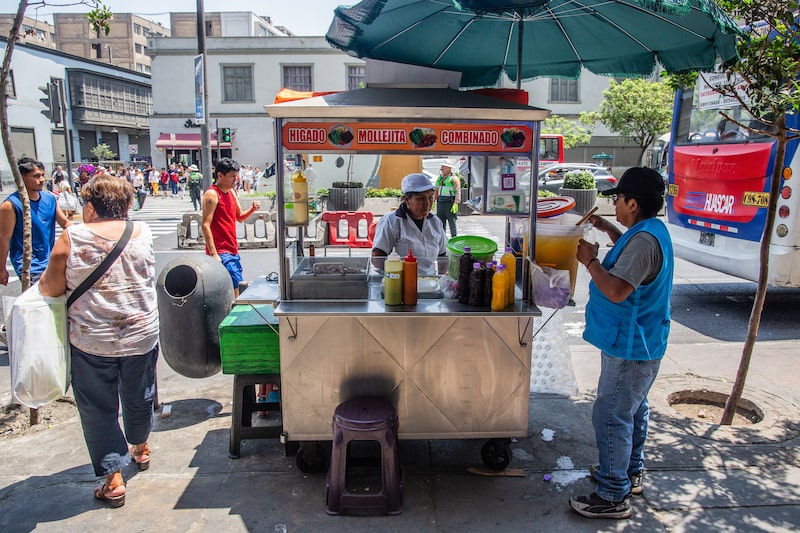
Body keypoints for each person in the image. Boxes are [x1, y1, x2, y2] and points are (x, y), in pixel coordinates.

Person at [38, 174, 159, 509]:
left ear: (89, 207)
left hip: (93, 341)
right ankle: (141, 447)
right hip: (141, 334)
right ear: (128, 205)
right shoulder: (142, 231)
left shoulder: (72, 236)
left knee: (99, 409)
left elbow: (49, 288)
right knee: (140, 394)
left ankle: (113, 479)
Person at [569, 167, 674, 520]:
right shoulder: (648, 231)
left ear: (632, 202)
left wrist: (590, 261)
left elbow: (616, 290)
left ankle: (613, 494)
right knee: (633, 409)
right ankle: (628, 472)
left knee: (611, 414)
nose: (614, 204)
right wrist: (609, 229)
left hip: (630, 344)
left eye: (617, 199)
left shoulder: (644, 242)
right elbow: (632, 256)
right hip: (639, 340)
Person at [0, 157, 71, 285]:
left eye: (42, 175)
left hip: (52, 262)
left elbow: (66, 224)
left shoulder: (50, 199)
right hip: (29, 266)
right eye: (36, 176)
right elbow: (4, 238)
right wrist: (1, 269)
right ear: (22, 177)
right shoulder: (10, 205)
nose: (42, 180)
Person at [201, 157, 260, 298]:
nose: (236, 179)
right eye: (232, 176)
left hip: (232, 248)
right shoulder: (212, 194)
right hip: (221, 252)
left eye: (236, 175)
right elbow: (205, 225)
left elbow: (239, 217)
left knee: (236, 288)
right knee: (238, 288)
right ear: (220, 175)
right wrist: (214, 254)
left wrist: (252, 209)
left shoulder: (232, 192)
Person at [372, 173, 447, 277]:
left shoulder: (436, 222)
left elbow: (443, 255)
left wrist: (442, 279)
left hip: (430, 283)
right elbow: (377, 257)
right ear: (407, 200)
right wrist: (395, 277)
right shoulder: (392, 221)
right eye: (420, 198)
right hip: (400, 284)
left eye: (430, 197)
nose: (427, 203)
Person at [435, 161, 461, 238]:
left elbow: (458, 191)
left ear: (449, 168)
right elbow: (436, 190)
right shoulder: (440, 178)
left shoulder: (454, 178)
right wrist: (433, 201)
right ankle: (442, 239)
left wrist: (456, 203)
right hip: (440, 202)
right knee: (441, 223)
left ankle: (454, 239)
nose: (441, 168)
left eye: (444, 166)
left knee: (452, 222)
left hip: (449, 202)